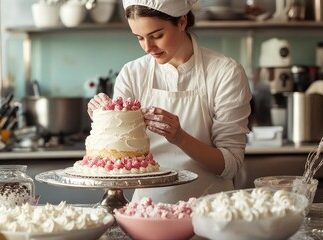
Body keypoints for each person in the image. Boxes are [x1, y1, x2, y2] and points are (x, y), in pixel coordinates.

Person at [87, 0, 252, 203]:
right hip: (146, 211)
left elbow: (230, 165)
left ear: (182, 22)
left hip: (211, 212)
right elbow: (122, 157)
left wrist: (180, 138)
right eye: (139, 38)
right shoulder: (132, 74)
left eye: (157, 36)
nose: (148, 47)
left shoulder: (225, 73)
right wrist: (106, 118)